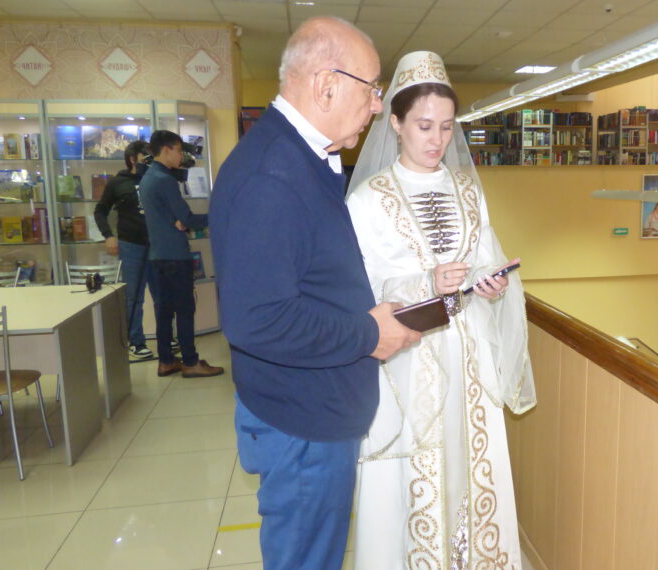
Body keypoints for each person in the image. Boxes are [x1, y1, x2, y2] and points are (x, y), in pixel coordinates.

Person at [208, 17, 421, 570]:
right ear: (327, 84)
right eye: (371, 89)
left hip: (308, 410)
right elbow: (258, 319)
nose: (377, 105)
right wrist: (368, 333)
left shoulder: (304, 157)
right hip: (300, 424)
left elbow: (307, 276)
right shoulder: (272, 175)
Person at [346, 51, 536, 569]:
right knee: (414, 476)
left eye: (447, 127)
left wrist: (490, 283)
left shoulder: (468, 190)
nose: (437, 140)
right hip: (408, 358)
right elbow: (358, 288)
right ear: (396, 123)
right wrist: (424, 282)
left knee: (472, 466)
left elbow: (483, 256)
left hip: (469, 356)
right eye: (424, 126)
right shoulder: (368, 199)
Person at [141, 130, 223, 378]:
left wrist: (180, 222)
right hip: (175, 255)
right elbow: (186, 218)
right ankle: (190, 361)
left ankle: (166, 360)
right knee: (185, 310)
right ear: (166, 150)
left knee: (164, 311)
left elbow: (170, 217)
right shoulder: (165, 180)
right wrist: (220, 214)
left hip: (157, 255)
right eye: (178, 150)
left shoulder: (148, 177)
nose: (181, 156)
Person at [93, 140, 159, 360]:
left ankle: (167, 338)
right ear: (132, 159)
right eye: (145, 155)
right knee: (134, 297)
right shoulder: (117, 182)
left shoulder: (155, 178)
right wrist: (108, 235)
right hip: (131, 246)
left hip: (158, 245)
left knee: (162, 295)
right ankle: (136, 342)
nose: (150, 159)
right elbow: (100, 211)